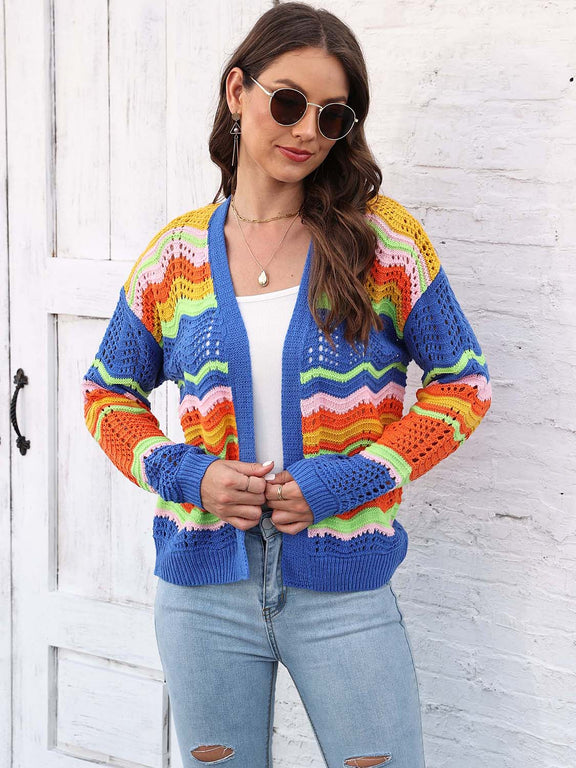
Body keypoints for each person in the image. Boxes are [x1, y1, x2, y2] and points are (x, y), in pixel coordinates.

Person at [82, 3, 491, 766]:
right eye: (289, 102)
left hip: (345, 582)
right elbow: (106, 393)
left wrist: (355, 477)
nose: (307, 130)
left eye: (332, 116)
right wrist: (189, 475)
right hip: (203, 590)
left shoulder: (383, 241)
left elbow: (462, 383)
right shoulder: (174, 257)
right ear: (238, 91)